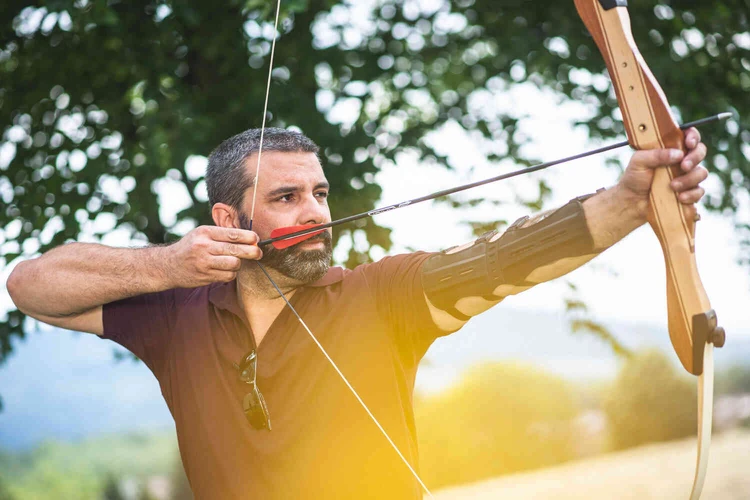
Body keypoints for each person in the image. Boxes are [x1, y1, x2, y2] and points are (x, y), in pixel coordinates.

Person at [7, 126, 709, 499]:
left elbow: (501, 260)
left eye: (320, 193)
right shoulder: (176, 313)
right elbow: (29, 284)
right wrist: (166, 266)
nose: (315, 212)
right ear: (228, 220)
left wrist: (627, 204)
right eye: (286, 198)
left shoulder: (382, 295)